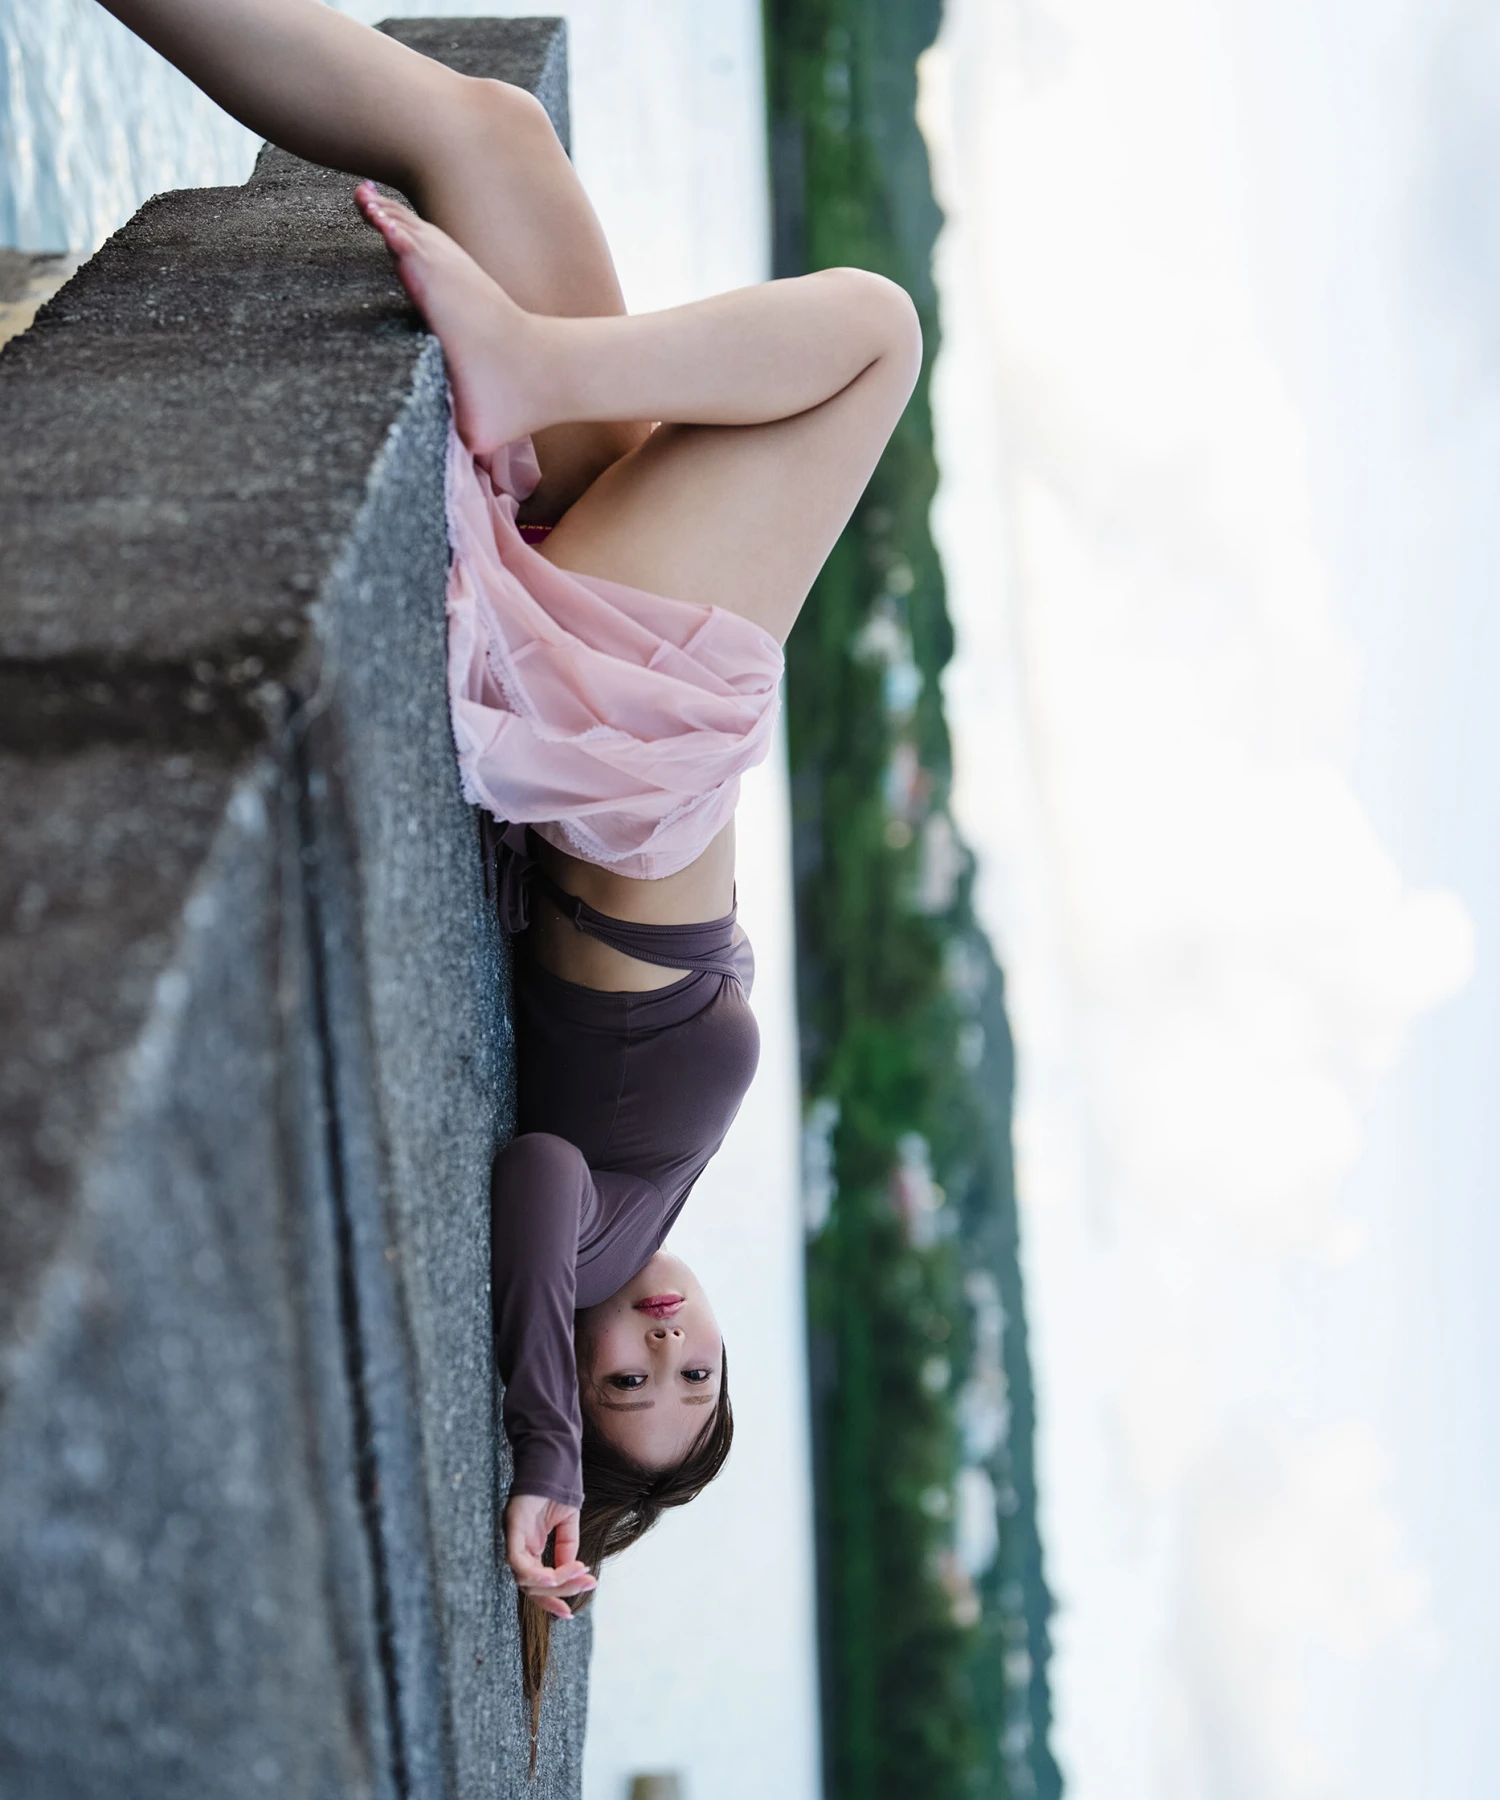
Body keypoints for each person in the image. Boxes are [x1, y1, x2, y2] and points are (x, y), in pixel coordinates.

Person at [97, 0, 921, 1723]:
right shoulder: (651, 1225)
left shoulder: (592, 1238)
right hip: (626, 740)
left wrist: (551, 1445)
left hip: (634, 737)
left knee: (873, 335)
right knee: (487, 133)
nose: (667, 1344)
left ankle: (531, 370)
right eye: (699, 1377)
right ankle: (537, 366)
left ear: (574, 1367)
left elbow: (536, 1181)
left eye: (632, 1383)